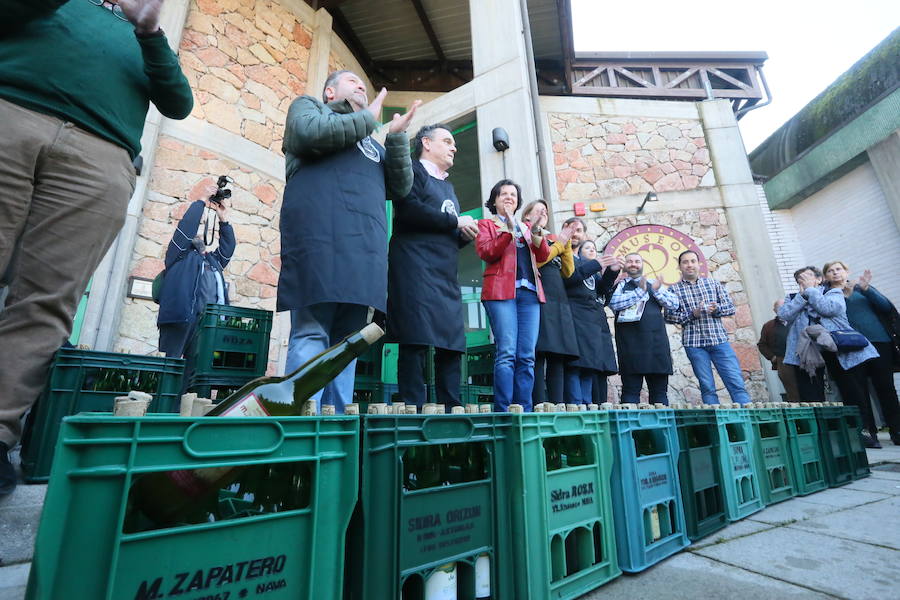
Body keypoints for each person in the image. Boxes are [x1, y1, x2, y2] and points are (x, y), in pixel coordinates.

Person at [0, 0, 193, 496]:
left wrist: (150, 32)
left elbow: (178, 101)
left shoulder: (144, 35)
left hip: (100, 155)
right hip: (12, 114)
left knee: (46, 302)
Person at [277, 70, 419, 413]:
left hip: (364, 251)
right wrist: (368, 119)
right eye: (353, 80)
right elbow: (307, 134)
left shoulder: (372, 142)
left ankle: (336, 427)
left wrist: (397, 140)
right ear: (329, 92)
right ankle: (298, 422)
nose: (361, 85)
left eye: (363, 83)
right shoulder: (310, 109)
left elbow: (399, 188)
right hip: (318, 240)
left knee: (346, 344)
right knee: (311, 333)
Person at [386, 124, 478, 410]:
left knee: (451, 339)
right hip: (413, 265)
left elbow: (443, 231)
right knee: (414, 337)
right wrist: (455, 222)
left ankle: (453, 408)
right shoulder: (413, 171)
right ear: (426, 142)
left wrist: (462, 237)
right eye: (447, 141)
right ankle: (413, 408)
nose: (454, 147)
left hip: (444, 272)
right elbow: (410, 209)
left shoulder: (449, 186)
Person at [779, 265, 880, 445]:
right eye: (800, 279)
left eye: (808, 277)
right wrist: (803, 296)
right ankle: (822, 437)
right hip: (807, 353)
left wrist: (811, 291)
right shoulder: (794, 298)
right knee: (812, 395)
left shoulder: (833, 293)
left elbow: (829, 309)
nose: (804, 281)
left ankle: (864, 433)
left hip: (838, 349)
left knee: (852, 391)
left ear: (819, 279)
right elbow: (785, 315)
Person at [476, 180, 550, 412]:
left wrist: (537, 232)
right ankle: (504, 409)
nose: (509, 197)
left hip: (529, 294)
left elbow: (543, 254)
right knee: (507, 352)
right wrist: (507, 230)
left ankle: (524, 410)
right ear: (495, 200)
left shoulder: (526, 228)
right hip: (500, 292)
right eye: (503, 194)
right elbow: (487, 252)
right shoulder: (487, 224)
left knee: (527, 356)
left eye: (513, 194)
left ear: (518, 201)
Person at [157, 198, 234, 394]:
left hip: (206, 325)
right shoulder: (178, 254)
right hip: (180, 319)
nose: (199, 232)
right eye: (198, 228)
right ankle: (163, 412)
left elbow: (228, 247)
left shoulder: (213, 261)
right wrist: (201, 202)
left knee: (196, 374)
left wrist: (224, 220)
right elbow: (186, 228)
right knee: (171, 370)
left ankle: (187, 414)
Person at [824, 261, 898, 446]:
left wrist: (867, 289)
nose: (835, 273)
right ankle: (868, 433)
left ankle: (897, 430)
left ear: (846, 271)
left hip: (879, 342)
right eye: (830, 271)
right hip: (851, 347)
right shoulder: (828, 296)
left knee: (886, 388)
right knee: (858, 391)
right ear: (826, 277)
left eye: (838, 269)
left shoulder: (862, 289)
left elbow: (886, 308)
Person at [665, 250, 750, 405]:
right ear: (680, 267)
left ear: (699, 264)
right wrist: (692, 314)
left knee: (736, 383)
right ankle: (717, 425)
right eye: (685, 262)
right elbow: (669, 317)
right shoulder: (673, 290)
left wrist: (717, 309)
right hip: (694, 344)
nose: (689, 265)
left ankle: (748, 422)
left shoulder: (713, 284)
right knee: (707, 387)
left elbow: (730, 308)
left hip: (719, 341)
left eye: (692, 261)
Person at [523, 200, 579, 407]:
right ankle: (538, 403)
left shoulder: (554, 238)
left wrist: (566, 245)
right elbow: (536, 261)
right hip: (538, 295)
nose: (543, 213)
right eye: (538, 210)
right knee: (539, 352)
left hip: (559, 298)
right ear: (527, 216)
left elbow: (568, 272)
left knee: (558, 352)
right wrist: (558, 244)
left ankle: (558, 403)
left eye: (545, 211)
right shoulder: (525, 233)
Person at [609, 252, 680, 405]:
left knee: (660, 393)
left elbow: (674, 304)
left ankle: (662, 427)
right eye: (630, 261)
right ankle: (631, 428)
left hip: (657, 345)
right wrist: (640, 291)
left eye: (637, 261)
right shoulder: (619, 285)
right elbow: (615, 304)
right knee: (630, 391)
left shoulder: (654, 283)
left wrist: (654, 290)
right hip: (630, 346)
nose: (633, 264)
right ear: (625, 265)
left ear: (642, 265)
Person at [563, 241, 621, 405]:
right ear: (579, 252)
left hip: (592, 323)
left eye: (594, 249)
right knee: (575, 365)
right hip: (575, 319)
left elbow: (602, 290)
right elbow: (571, 280)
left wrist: (612, 270)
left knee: (589, 366)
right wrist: (596, 265)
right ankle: (576, 404)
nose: (592, 250)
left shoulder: (595, 273)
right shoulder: (573, 264)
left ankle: (588, 404)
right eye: (587, 248)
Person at [757, 299, 801, 402]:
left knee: (808, 389)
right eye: (780, 307)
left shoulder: (797, 320)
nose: (784, 309)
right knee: (792, 392)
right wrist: (773, 357)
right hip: (783, 361)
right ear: (775, 310)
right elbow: (762, 344)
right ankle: (798, 415)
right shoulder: (769, 326)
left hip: (802, 359)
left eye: (786, 305)